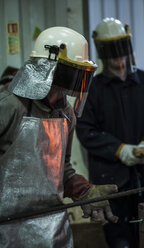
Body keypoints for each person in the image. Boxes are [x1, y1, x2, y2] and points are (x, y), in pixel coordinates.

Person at [0, 26, 118, 247]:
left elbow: (61, 168)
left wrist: (84, 191)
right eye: (72, 73)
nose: (73, 85)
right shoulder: (9, 106)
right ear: (47, 68)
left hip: (52, 232)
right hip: (6, 232)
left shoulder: (66, 115)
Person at [76, 18, 144, 248]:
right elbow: (85, 130)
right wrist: (118, 149)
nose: (119, 60)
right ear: (102, 54)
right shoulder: (92, 89)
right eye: (112, 54)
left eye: (121, 52)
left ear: (129, 49)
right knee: (120, 241)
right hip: (111, 184)